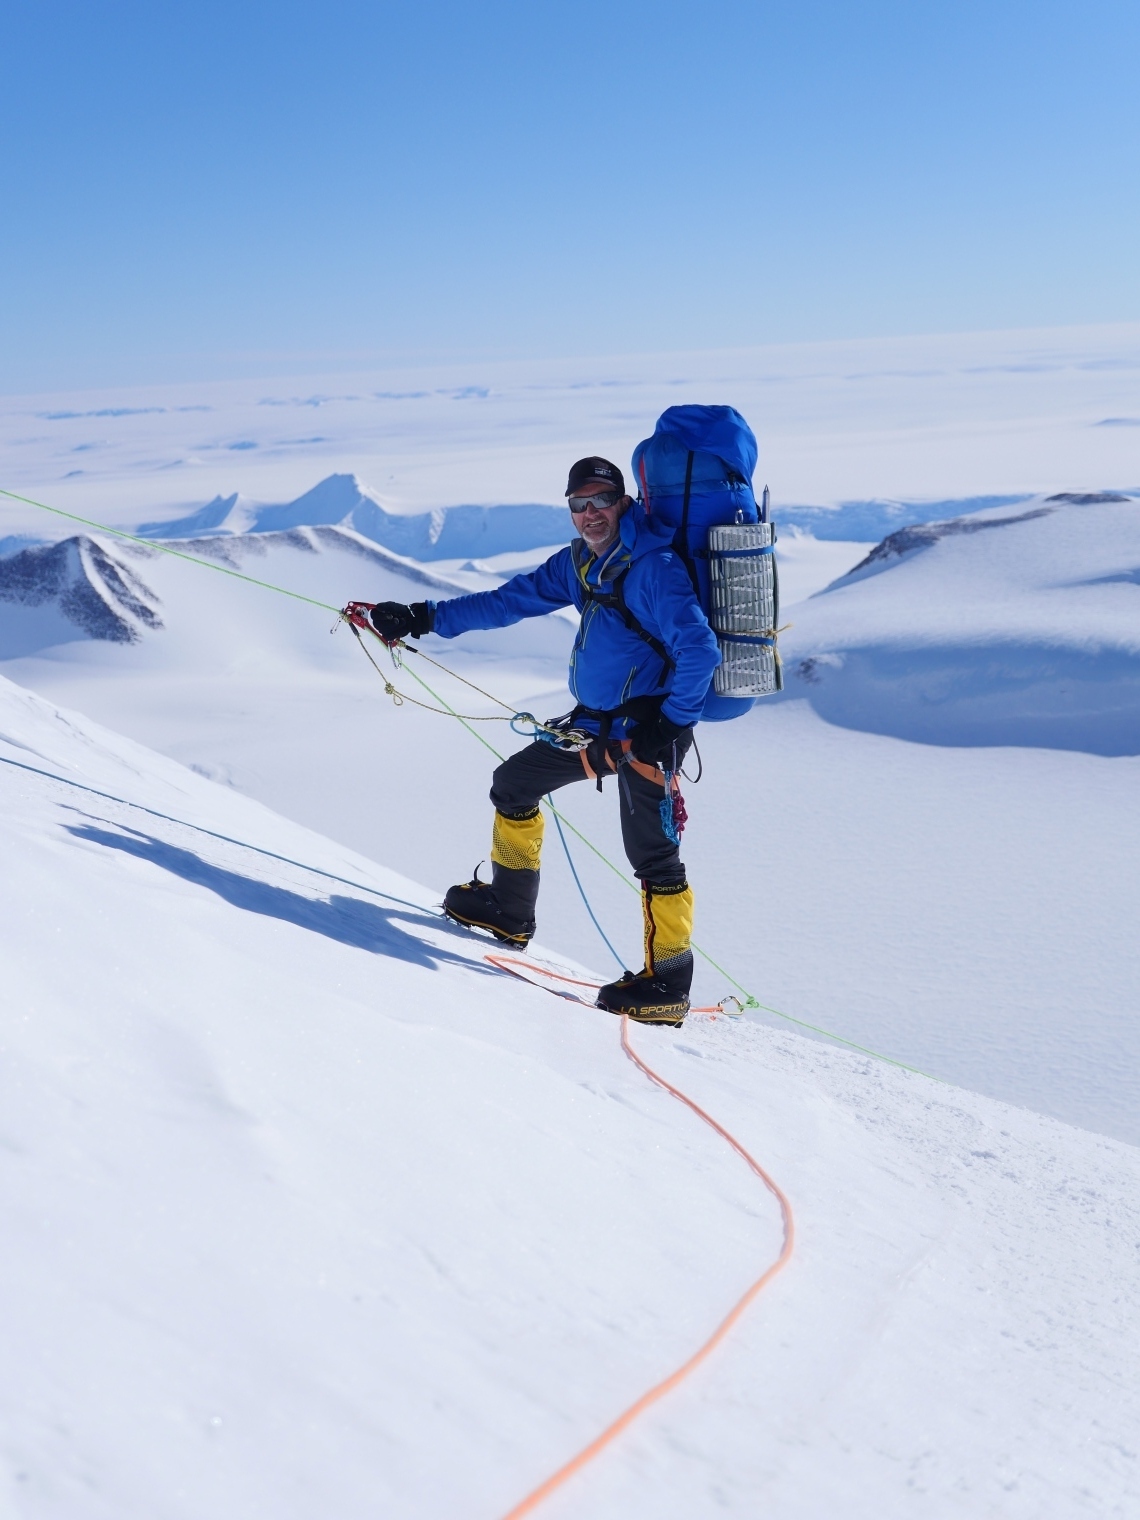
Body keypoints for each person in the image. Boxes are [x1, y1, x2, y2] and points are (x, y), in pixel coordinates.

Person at [362, 456, 720, 1026]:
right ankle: (509, 910)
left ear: (624, 501)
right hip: (597, 725)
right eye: (578, 505)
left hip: (647, 736)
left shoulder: (654, 568)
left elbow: (701, 651)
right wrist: (422, 617)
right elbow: (509, 601)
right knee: (514, 785)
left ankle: (667, 984)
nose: (590, 514)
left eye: (600, 501)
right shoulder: (581, 564)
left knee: (653, 854)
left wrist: (671, 724)